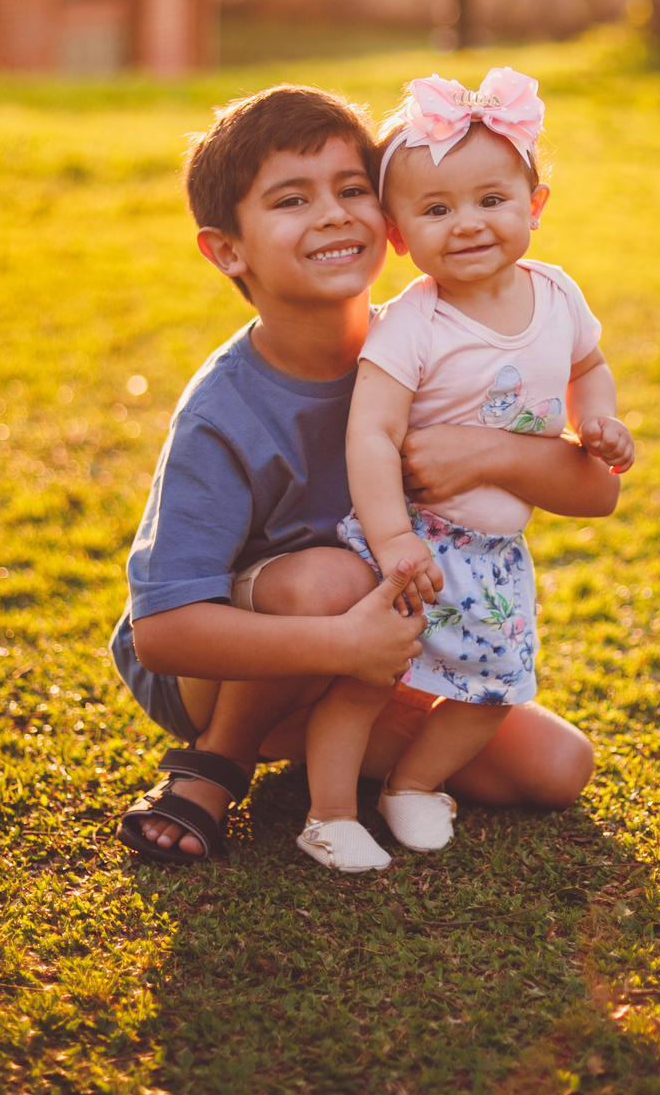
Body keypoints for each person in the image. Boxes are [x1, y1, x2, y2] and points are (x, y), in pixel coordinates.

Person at [113, 83, 619, 866]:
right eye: (292, 199)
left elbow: (598, 490)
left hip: (373, 650)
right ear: (227, 250)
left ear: (389, 218)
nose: (333, 215)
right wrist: (341, 641)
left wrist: (486, 452)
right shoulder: (224, 412)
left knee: (555, 766)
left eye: (353, 190)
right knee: (334, 578)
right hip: (233, 661)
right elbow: (163, 634)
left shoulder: (438, 347)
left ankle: (330, 744)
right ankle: (220, 760)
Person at [295, 68, 634, 873]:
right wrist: (393, 539)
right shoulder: (414, 323)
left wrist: (598, 421)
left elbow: (588, 365)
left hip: (495, 554)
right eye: (438, 210)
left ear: (535, 206)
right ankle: (328, 815)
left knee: (494, 686)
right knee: (370, 677)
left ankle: (412, 784)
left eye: (492, 199)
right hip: (416, 538)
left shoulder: (557, 295)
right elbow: (372, 434)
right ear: (399, 234)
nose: (470, 223)